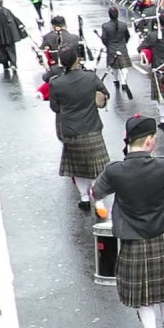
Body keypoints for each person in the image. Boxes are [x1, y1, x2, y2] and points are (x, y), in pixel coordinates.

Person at [92, 115, 164, 328]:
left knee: (143, 295)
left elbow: (95, 193)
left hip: (132, 240)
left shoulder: (115, 171)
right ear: (150, 141)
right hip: (162, 235)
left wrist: (101, 206)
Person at [48, 46, 110, 211]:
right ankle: (98, 199)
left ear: (61, 62)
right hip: (92, 127)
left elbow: (55, 108)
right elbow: (104, 95)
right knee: (96, 167)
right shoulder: (90, 77)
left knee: (79, 167)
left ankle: (84, 198)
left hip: (71, 130)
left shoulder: (56, 83)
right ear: (77, 59)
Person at [99, 5, 133, 97]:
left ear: (109, 15)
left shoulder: (105, 26)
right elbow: (128, 36)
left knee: (114, 66)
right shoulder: (123, 25)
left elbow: (104, 38)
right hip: (122, 48)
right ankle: (123, 82)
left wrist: (108, 45)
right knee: (124, 66)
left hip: (111, 49)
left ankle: (116, 80)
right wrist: (123, 43)